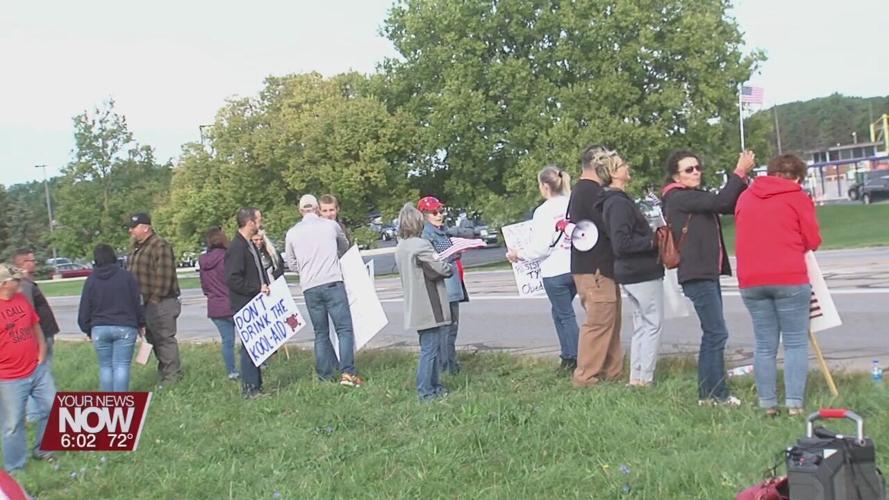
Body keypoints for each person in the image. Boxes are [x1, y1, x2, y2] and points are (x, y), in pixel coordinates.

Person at [661, 149, 756, 406]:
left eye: (697, 167)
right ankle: (714, 394)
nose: (696, 172)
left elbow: (726, 203)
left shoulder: (692, 196)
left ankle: (709, 393)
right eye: (689, 170)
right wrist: (739, 171)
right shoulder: (678, 198)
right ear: (676, 176)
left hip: (706, 272)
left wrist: (743, 181)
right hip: (696, 273)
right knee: (716, 333)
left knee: (713, 332)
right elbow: (720, 203)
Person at [735, 154, 821, 416]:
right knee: (795, 342)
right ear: (797, 177)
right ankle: (794, 404)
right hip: (788, 277)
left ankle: (768, 404)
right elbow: (812, 239)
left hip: (751, 280)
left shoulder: (746, 196)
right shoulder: (797, 197)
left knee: (764, 344)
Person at [595, 152, 665, 387]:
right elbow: (621, 243)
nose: (628, 167)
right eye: (623, 165)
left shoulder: (614, 201)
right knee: (651, 323)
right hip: (640, 271)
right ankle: (644, 376)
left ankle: (638, 375)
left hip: (631, 272)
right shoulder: (618, 204)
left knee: (642, 323)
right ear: (614, 173)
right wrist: (653, 241)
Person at [505, 166, 579, 374]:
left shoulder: (544, 211)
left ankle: (574, 358)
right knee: (559, 313)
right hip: (575, 265)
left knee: (565, 315)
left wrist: (518, 254)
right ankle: (567, 355)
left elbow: (540, 247)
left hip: (554, 270)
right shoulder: (573, 204)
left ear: (545, 186)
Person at [285, 195, 364, 387]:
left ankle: (324, 376)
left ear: (300, 210)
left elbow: (291, 262)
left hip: (310, 287)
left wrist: (305, 269)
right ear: (317, 209)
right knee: (344, 329)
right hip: (332, 282)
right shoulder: (330, 226)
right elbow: (344, 246)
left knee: (321, 333)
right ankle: (347, 372)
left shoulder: (292, 233)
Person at [568, 146, 622, 388]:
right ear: (597, 164)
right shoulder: (592, 192)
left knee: (609, 321)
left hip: (592, 268)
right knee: (599, 323)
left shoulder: (582, 191)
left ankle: (612, 372)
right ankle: (586, 377)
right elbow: (608, 226)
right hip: (596, 268)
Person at [395, 203, 454, 400]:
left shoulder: (401, 247)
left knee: (430, 346)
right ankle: (426, 390)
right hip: (430, 303)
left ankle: (434, 386)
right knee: (430, 350)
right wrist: (448, 265)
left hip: (415, 304)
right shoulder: (421, 245)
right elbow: (441, 268)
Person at [0, 263, 55, 471]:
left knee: (53, 407)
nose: (21, 282)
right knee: (13, 424)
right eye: (16, 280)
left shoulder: (21, 299)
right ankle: (16, 467)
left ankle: (44, 449)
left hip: (36, 369)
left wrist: (41, 352)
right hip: (9, 377)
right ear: (4, 284)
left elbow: (35, 326)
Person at [77, 244, 144, 392]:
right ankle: (120, 402)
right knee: (122, 365)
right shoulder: (126, 277)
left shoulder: (91, 280)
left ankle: (107, 402)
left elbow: (85, 308)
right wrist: (141, 323)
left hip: (99, 327)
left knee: (105, 366)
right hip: (125, 326)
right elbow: (136, 302)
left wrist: (87, 328)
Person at [126, 212, 182, 385]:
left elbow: (164, 275)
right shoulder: (136, 248)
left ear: (145, 227)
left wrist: (155, 300)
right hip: (143, 303)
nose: (130, 231)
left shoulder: (160, 245)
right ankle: (164, 373)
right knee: (153, 340)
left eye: (133, 227)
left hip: (161, 302)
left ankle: (172, 377)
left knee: (165, 339)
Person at [419, 196, 468, 375]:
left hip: (452, 285)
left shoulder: (442, 231)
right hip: (444, 288)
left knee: (451, 328)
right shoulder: (427, 235)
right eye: (434, 212)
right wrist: (453, 254)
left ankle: (449, 362)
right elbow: (434, 261)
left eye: (440, 211)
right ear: (424, 215)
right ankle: (446, 367)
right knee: (446, 329)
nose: (439, 215)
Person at [225, 208, 270, 398]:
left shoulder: (249, 244)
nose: (260, 222)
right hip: (245, 304)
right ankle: (250, 388)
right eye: (258, 219)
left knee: (256, 345)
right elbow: (233, 279)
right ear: (250, 222)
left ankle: (257, 385)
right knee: (249, 347)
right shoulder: (237, 247)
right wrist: (256, 287)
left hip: (255, 301)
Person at [10, 249, 59, 421]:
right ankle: (35, 413)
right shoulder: (23, 286)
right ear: (22, 263)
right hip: (39, 337)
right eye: (31, 260)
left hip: (44, 334)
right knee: (37, 374)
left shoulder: (27, 283)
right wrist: (37, 342)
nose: (35, 263)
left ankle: (39, 412)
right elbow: (27, 315)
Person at [198, 227, 239, 380]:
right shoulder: (227, 257)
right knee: (248, 338)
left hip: (215, 305)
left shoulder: (203, 261)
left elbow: (204, 286)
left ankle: (231, 371)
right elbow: (234, 280)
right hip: (233, 303)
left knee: (227, 341)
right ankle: (255, 365)